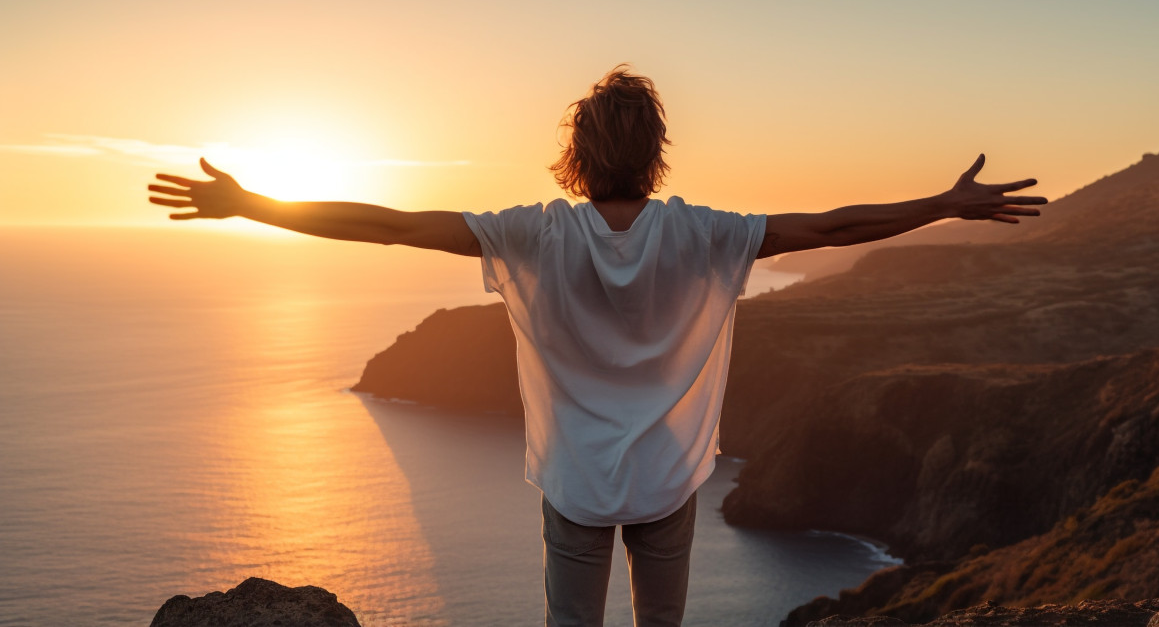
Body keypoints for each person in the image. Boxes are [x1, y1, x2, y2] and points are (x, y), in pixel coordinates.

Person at [148, 65, 1046, 627]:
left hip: (576, 485)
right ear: (656, 152)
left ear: (576, 154)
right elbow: (834, 225)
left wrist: (257, 204)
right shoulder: (702, 235)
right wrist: (940, 202)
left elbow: (388, 225)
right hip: (668, 479)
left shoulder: (536, 235)